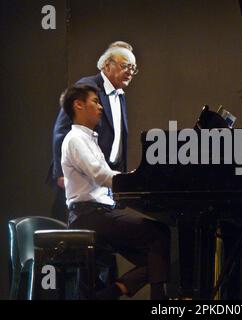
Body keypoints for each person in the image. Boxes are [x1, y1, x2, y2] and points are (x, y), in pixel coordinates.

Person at [60, 84, 170, 300]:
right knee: (159, 235)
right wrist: (133, 182)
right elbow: (100, 175)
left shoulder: (88, 139)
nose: (100, 107)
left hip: (99, 213)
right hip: (88, 215)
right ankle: (158, 302)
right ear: (78, 105)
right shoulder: (75, 140)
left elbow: (106, 174)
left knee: (157, 258)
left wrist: (131, 179)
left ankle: (112, 293)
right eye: (95, 101)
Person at [49, 41, 136, 222]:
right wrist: (60, 173)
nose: (130, 71)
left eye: (133, 68)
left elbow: (118, 136)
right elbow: (61, 130)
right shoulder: (88, 87)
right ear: (107, 65)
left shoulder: (120, 95)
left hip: (106, 177)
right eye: (125, 65)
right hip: (83, 174)